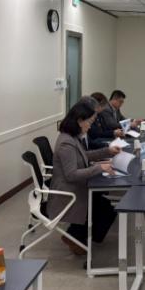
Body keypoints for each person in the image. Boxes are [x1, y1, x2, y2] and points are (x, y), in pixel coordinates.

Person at [47, 100, 120, 255]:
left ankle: (77, 236)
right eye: (89, 122)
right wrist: (99, 167)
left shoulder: (71, 137)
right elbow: (71, 175)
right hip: (68, 192)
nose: (90, 126)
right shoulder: (66, 143)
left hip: (75, 186)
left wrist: (107, 151)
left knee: (104, 204)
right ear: (80, 121)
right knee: (104, 207)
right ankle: (76, 237)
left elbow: (83, 155)